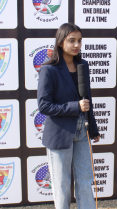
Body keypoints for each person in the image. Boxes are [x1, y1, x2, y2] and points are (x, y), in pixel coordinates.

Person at [37, 23, 100, 209]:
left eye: (79, 41)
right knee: (62, 185)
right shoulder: (49, 69)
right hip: (59, 133)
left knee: (85, 180)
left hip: (82, 131)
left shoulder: (83, 65)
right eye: (71, 40)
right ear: (60, 42)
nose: (77, 45)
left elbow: (87, 99)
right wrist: (75, 106)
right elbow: (43, 106)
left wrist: (93, 129)